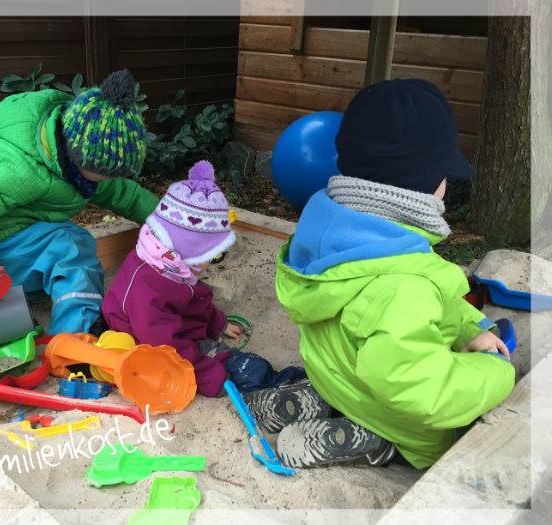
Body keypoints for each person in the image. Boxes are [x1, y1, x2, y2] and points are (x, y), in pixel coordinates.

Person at [248, 78, 515, 469]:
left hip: (337, 372)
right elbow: (424, 393)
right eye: (444, 175)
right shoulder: (404, 285)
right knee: (421, 429)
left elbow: (413, 310)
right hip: (387, 409)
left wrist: (469, 329)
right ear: (424, 185)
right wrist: (493, 373)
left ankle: (321, 396)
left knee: (358, 360)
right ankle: (375, 441)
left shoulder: (332, 233)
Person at [0, 69, 158, 334]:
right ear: (78, 155)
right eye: (106, 173)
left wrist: (165, 220)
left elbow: (122, 192)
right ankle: (73, 335)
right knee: (70, 246)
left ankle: (38, 296)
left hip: (24, 243)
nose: (110, 179)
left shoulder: (77, 160)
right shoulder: (16, 164)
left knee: (66, 244)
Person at [102, 160, 243, 397]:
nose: (211, 261)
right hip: (138, 332)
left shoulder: (173, 264)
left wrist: (218, 323)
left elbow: (196, 298)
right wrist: (209, 376)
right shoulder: (147, 289)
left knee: (198, 294)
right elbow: (165, 347)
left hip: (163, 316)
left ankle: (204, 345)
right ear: (187, 249)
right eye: (209, 254)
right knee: (161, 359)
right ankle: (204, 363)